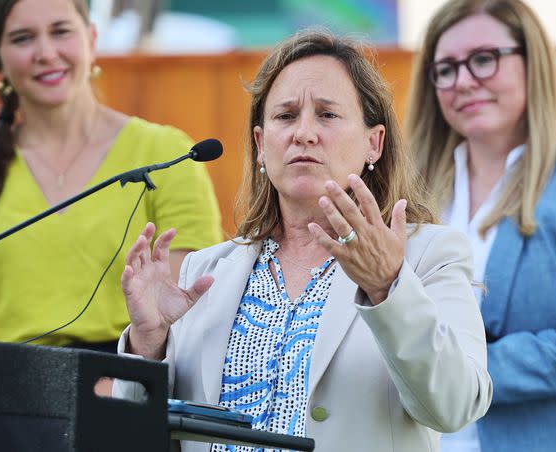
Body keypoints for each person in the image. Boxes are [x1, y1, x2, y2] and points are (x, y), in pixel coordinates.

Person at [113, 29, 493, 451]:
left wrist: (388, 286)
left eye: (327, 115)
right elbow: (135, 437)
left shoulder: (427, 255)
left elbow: (456, 406)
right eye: (286, 115)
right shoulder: (205, 272)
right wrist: (146, 345)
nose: (304, 133)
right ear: (260, 145)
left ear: (374, 143)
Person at [404, 1, 556, 451]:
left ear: (532, 61)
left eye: (483, 59)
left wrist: (463, 370)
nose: (463, 80)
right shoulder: (411, 196)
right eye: (445, 68)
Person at [0, 0, 222, 350]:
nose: (46, 52)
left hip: (137, 377)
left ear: (91, 39)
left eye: (61, 31)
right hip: (4, 391)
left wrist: (123, 379)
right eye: (22, 38)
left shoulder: (168, 155)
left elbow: (181, 317)